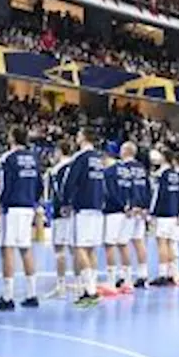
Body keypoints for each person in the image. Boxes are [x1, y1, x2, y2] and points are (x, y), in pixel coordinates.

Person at [0, 126, 42, 311]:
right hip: (28, 207)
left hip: (12, 208)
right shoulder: (34, 158)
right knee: (26, 249)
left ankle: (7, 296)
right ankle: (32, 294)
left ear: (11, 138)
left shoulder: (8, 158)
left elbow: (5, 186)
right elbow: (40, 185)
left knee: (7, 249)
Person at [63, 127, 105, 307]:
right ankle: (92, 287)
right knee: (91, 249)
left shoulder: (80, 158)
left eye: (79, 134)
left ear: (84, 137)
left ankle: (90, 291)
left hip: (83, 208)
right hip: (97, 208)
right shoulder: (98, 159)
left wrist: (65, 201)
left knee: (80, 248)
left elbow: (69, 182)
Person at [47, 138, 77, 299]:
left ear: (59, 151)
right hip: (75, 213)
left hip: (61, 213)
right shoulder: (75, 165)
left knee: (59, 249)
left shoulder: (57, 169)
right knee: (75, 249)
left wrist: (64, 205)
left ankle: (61, 285)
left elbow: (59, 192)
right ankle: (80, 284)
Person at [120, 141, 150, 288]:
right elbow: (147, 188)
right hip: (141, 210)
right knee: (139, 241)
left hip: (130, 210)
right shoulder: (142, 168)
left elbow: (125, 187)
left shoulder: (123, 167)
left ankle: (126, 276)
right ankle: (143, 274)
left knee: (123, 242)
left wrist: (130, 205)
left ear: (126, 151)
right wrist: (145, 208)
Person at [101, 149, 132, 290]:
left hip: (113, 211)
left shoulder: (108, 172)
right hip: (128, 212)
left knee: (110, 245)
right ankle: (128, 280)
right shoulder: (126, 170)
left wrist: (120, 205)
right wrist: (129, 206)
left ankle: (111, 281)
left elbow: (109, 193)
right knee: (123, 244)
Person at [149, 149, 179, 286]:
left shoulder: (162, 174)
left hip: (163, 212)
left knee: (161, 242)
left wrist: (152, 213)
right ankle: (172, 274)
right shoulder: (174, 173)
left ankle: (162, 274)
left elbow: (157, 195)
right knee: (170, 243)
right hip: (173, 212)